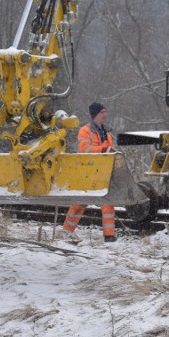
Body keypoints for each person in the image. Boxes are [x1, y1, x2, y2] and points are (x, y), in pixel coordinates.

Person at [62, 102, 117, 243]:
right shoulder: (85, 131)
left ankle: (109, 236)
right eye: (102, 112)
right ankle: (67, 231)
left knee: (108, 203)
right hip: (87, 172)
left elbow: (109, 150)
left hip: (102, 173)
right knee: (79, 204)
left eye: (105, 112)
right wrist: (103, 150)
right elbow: (85, 149)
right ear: (95, 115)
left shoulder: (107, 132)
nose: (105, 115)